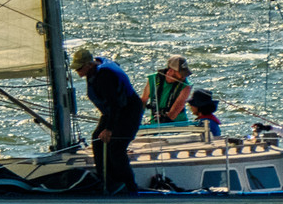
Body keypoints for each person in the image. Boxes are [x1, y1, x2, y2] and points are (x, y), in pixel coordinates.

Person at [71, 46, 143, 194]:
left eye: (79, 68)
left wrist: (109, 129)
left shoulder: (104, 76)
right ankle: (108, 182)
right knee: (97, 140)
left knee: (116, 148)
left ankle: (130, 188)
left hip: (127, 112)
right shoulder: (95, 69)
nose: (77, 71)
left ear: (89, 65)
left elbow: (115, 104)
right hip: (113, 111)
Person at [142, 55, 193, 124]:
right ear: (171, 70)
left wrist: (164, 120)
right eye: (181, 73)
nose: (184, 77)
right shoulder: (153, 79)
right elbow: (143, 100)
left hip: (178, 123)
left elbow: (176, 109)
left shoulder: (186, 86)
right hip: (155, 123)